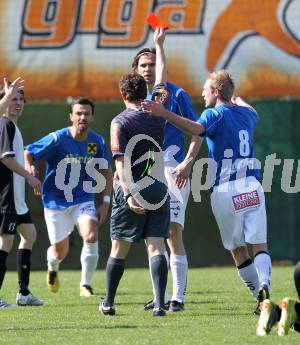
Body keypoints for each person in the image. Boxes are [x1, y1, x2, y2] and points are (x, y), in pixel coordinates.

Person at [144, 69, 272, 314]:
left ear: (216, 92)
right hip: (253, 185)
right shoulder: (248, 114)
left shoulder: (213, 113)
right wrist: (236, 96)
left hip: (226, 188)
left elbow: (195, 129)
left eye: (205, 89)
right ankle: (265, 284)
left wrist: (163, 112)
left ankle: (259, 294)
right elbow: (250, 108)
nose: (202, 94)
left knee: (237, 249)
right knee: (259, 244)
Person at [99, 28, 170, 317]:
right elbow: (163, 78)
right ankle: (161, 304)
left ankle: (108, 302)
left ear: (122, 94)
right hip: (158, 186)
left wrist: (128, 193)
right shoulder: (156, 110)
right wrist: (160, 46)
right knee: (156, 247)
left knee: (119, 249)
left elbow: (120, 163)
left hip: (134, 188)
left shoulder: (119, 122)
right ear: (144, 91)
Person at [131, 34, 202, 312]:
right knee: (153, 237)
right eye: (142, 65)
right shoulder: (135, 99)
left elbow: (198, 131)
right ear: (135, 71)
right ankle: (160, 295)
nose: (147, 69)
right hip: (147, 171)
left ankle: (178, 298)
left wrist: (188, 162)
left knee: (173, 232)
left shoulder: (173, 94)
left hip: (174, 169)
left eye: (151, 64)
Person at [24, 97, 112, 297]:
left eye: (86, 114)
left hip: (83, 199)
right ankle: (52, 266)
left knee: (91, 235)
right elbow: (28, 151)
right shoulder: (58, 139)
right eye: (78, 113)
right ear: (71, 116)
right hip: (55, 202)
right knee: (60, 251)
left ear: (92, 117)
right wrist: (30, 167)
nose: (82, 117)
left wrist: (106, 202)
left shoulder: (97, 141)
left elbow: (107, 170)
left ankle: (85, 285)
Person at [0, 77, 44, 308]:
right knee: (5, 242)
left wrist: (26, 169)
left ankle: (23, 293)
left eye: (21, 99)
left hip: (17, 200)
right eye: (12, 98)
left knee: (30, 234)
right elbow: (5, 158)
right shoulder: (4, 124)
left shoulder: (13, 126)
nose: (18, 102)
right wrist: (29, 176)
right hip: (6, 197)